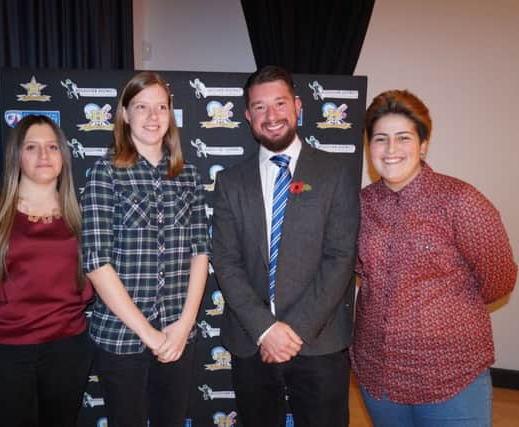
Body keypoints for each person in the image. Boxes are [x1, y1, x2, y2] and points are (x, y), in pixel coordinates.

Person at [351, 89, 517, 427]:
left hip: (451, 376)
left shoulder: (461, 201)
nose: (391, 149)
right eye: (381, 139)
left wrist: (443, 312)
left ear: (423, 143)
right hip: (379, 374)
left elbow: (499, 279)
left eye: (403, 138)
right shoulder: (359, 206)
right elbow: (356, 268)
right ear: (369, 147)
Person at [212, 65, 359, 427]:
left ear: (297, 106)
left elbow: (340, 257)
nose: (271, 115)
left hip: (319, 341)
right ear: (248, 116)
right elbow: (226, 261)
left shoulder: (335, 173)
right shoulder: (230, 182)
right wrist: (266, 330)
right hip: (252, 341)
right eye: (260, 107)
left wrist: (292, 331)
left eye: (279, 103)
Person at [0, 115, 94, 427]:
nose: (44, 155)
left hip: (67, 352)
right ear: (17, 156)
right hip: (1, 355)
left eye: (52, 147)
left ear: (63, 157)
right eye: (32, 147)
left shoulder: (81, 216)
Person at [81, 71, 210, 427]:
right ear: (124, 114)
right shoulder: (104, 172)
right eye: (141, 107)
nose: (153, 117)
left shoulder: (189, 176)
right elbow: (95, 262)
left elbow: (201, 252)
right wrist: (148, 333)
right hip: (122, 338)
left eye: (161, 107)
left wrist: (183, 326)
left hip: (177, 335)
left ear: (171, 115)